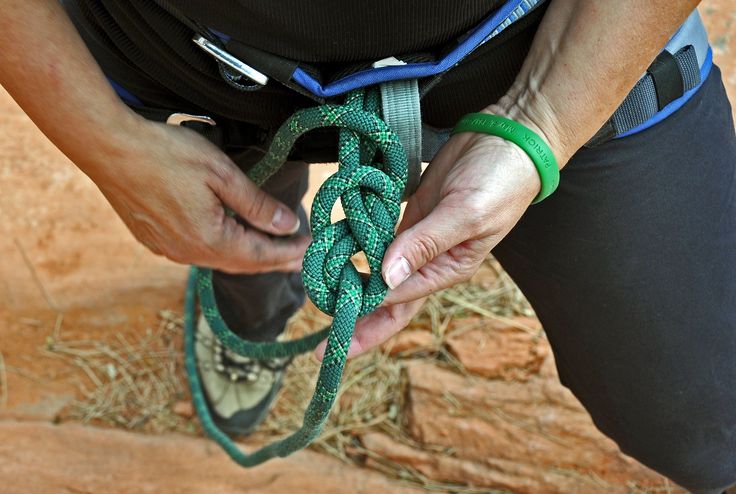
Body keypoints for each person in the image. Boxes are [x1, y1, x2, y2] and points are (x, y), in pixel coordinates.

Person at [1, 1, 734, 492]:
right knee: (245, 230)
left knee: (707, 416)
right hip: (183, 51)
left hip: (547, 41)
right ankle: (249, 306)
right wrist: (106, 141)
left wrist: (541, 121)